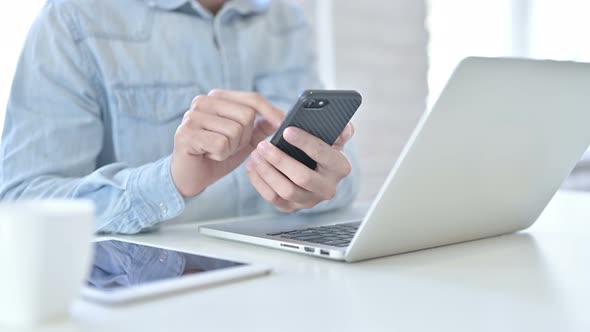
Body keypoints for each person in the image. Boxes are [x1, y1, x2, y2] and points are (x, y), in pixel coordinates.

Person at [0, 0, 359, 234]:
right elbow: (22, 204)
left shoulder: (284, 16)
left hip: (280, 271)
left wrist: (326, 181)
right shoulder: (74, 16)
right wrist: (170, 180)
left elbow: (340, 174)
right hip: (144, 295)